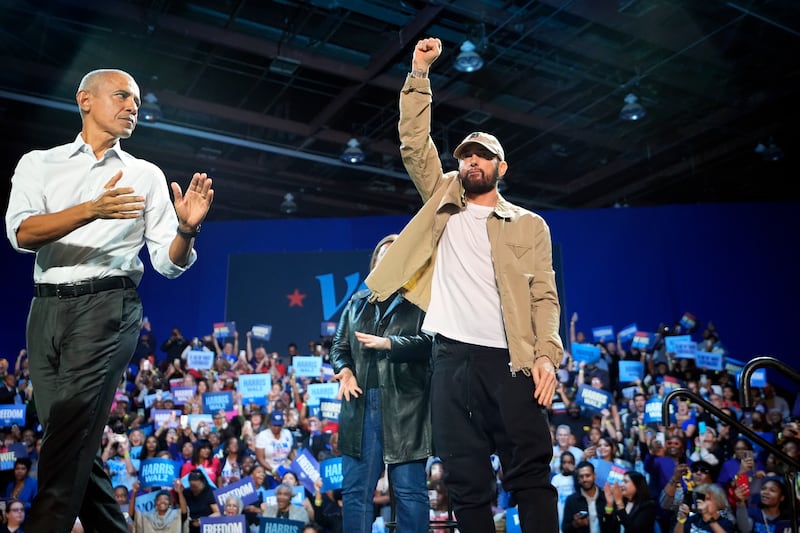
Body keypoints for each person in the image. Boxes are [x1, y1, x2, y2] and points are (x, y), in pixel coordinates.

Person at [364, 37, 563, 533]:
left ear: (501, 167)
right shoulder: (441, 199)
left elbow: (545, 296)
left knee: (530, 474)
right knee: (463, 478)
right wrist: (419, 73)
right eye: (466, 156)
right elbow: (413, 142)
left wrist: (546, 355)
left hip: (511, 360)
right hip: (450, 358)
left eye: (483, 157)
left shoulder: (529, 224)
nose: (473, 162)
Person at [4, 68, 213, 533]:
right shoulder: (40, 163)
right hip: (46, 308)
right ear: (85, 100)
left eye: (136, 101)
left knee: (69, 429)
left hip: (108, 307)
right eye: (122, 96)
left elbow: (168, 262)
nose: (132, 107)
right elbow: (21, 233)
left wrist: (186, 230)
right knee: (66, 434)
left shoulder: (145, 175)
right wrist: (91, 210)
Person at [331, 233, 432, 533]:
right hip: (360, 407)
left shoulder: (420, 302)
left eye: (393, 256)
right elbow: (339, 347)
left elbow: (431, 342)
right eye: (380, 257)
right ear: (373, 264)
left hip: (405, 409)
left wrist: (391, 344)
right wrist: (345, 371)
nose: (385, 262)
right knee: (355, 494)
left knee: (410, 493)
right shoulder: (356, 303)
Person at [561, 461, 612, 533]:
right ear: (578, 479)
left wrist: (609, 507)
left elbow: (614, 527)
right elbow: (565, 528)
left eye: (588, 475)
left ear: (594, 475)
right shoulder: (571, 500)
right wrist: (575, 524)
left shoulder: (606, 497)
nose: (584, 479)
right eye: (581, 476)